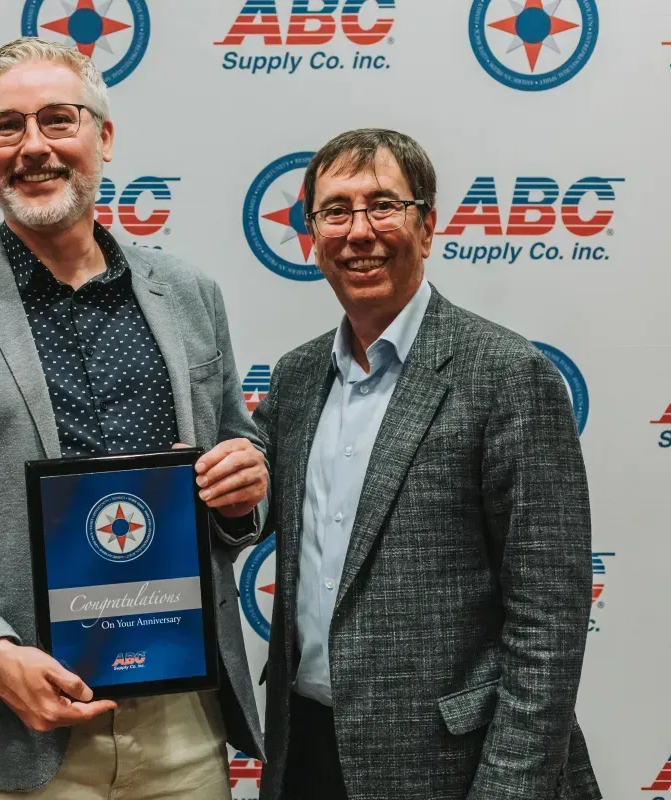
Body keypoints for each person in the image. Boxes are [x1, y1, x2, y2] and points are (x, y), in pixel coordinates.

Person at [0, 38, 268, 799]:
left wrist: (246, 491)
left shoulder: (190, 295)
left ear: (104, 137)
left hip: (182, 724)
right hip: (14, 731)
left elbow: (236, 461)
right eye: (6, 127)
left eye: (58, 120)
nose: (33, 148)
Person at [252, 128, 600, 800]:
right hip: (306, 751)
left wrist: (508, 790)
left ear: (427, 223)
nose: (359, 231)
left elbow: (549, 624)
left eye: (383, 205)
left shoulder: (507, 376)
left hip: (453, 766)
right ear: (311, 233)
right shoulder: (295, 381)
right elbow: (247, 510)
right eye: (335, 211)